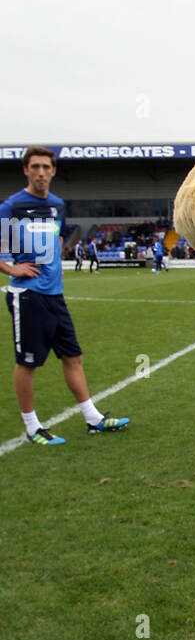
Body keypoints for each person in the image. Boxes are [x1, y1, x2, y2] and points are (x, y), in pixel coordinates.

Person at [0, 146, 131, 446]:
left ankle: (93, 418)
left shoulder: (58, 205)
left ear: (54, 170)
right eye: (35, 167)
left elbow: (57, 239)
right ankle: (32, 427)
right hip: (27, 295)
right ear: (26, 170)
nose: (41, 172)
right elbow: (3, 243)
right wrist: (12, 268)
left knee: (74, 356)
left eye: (46, 167)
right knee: (28, 362)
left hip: (54, 295)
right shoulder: (13, 207)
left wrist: (55, 267)